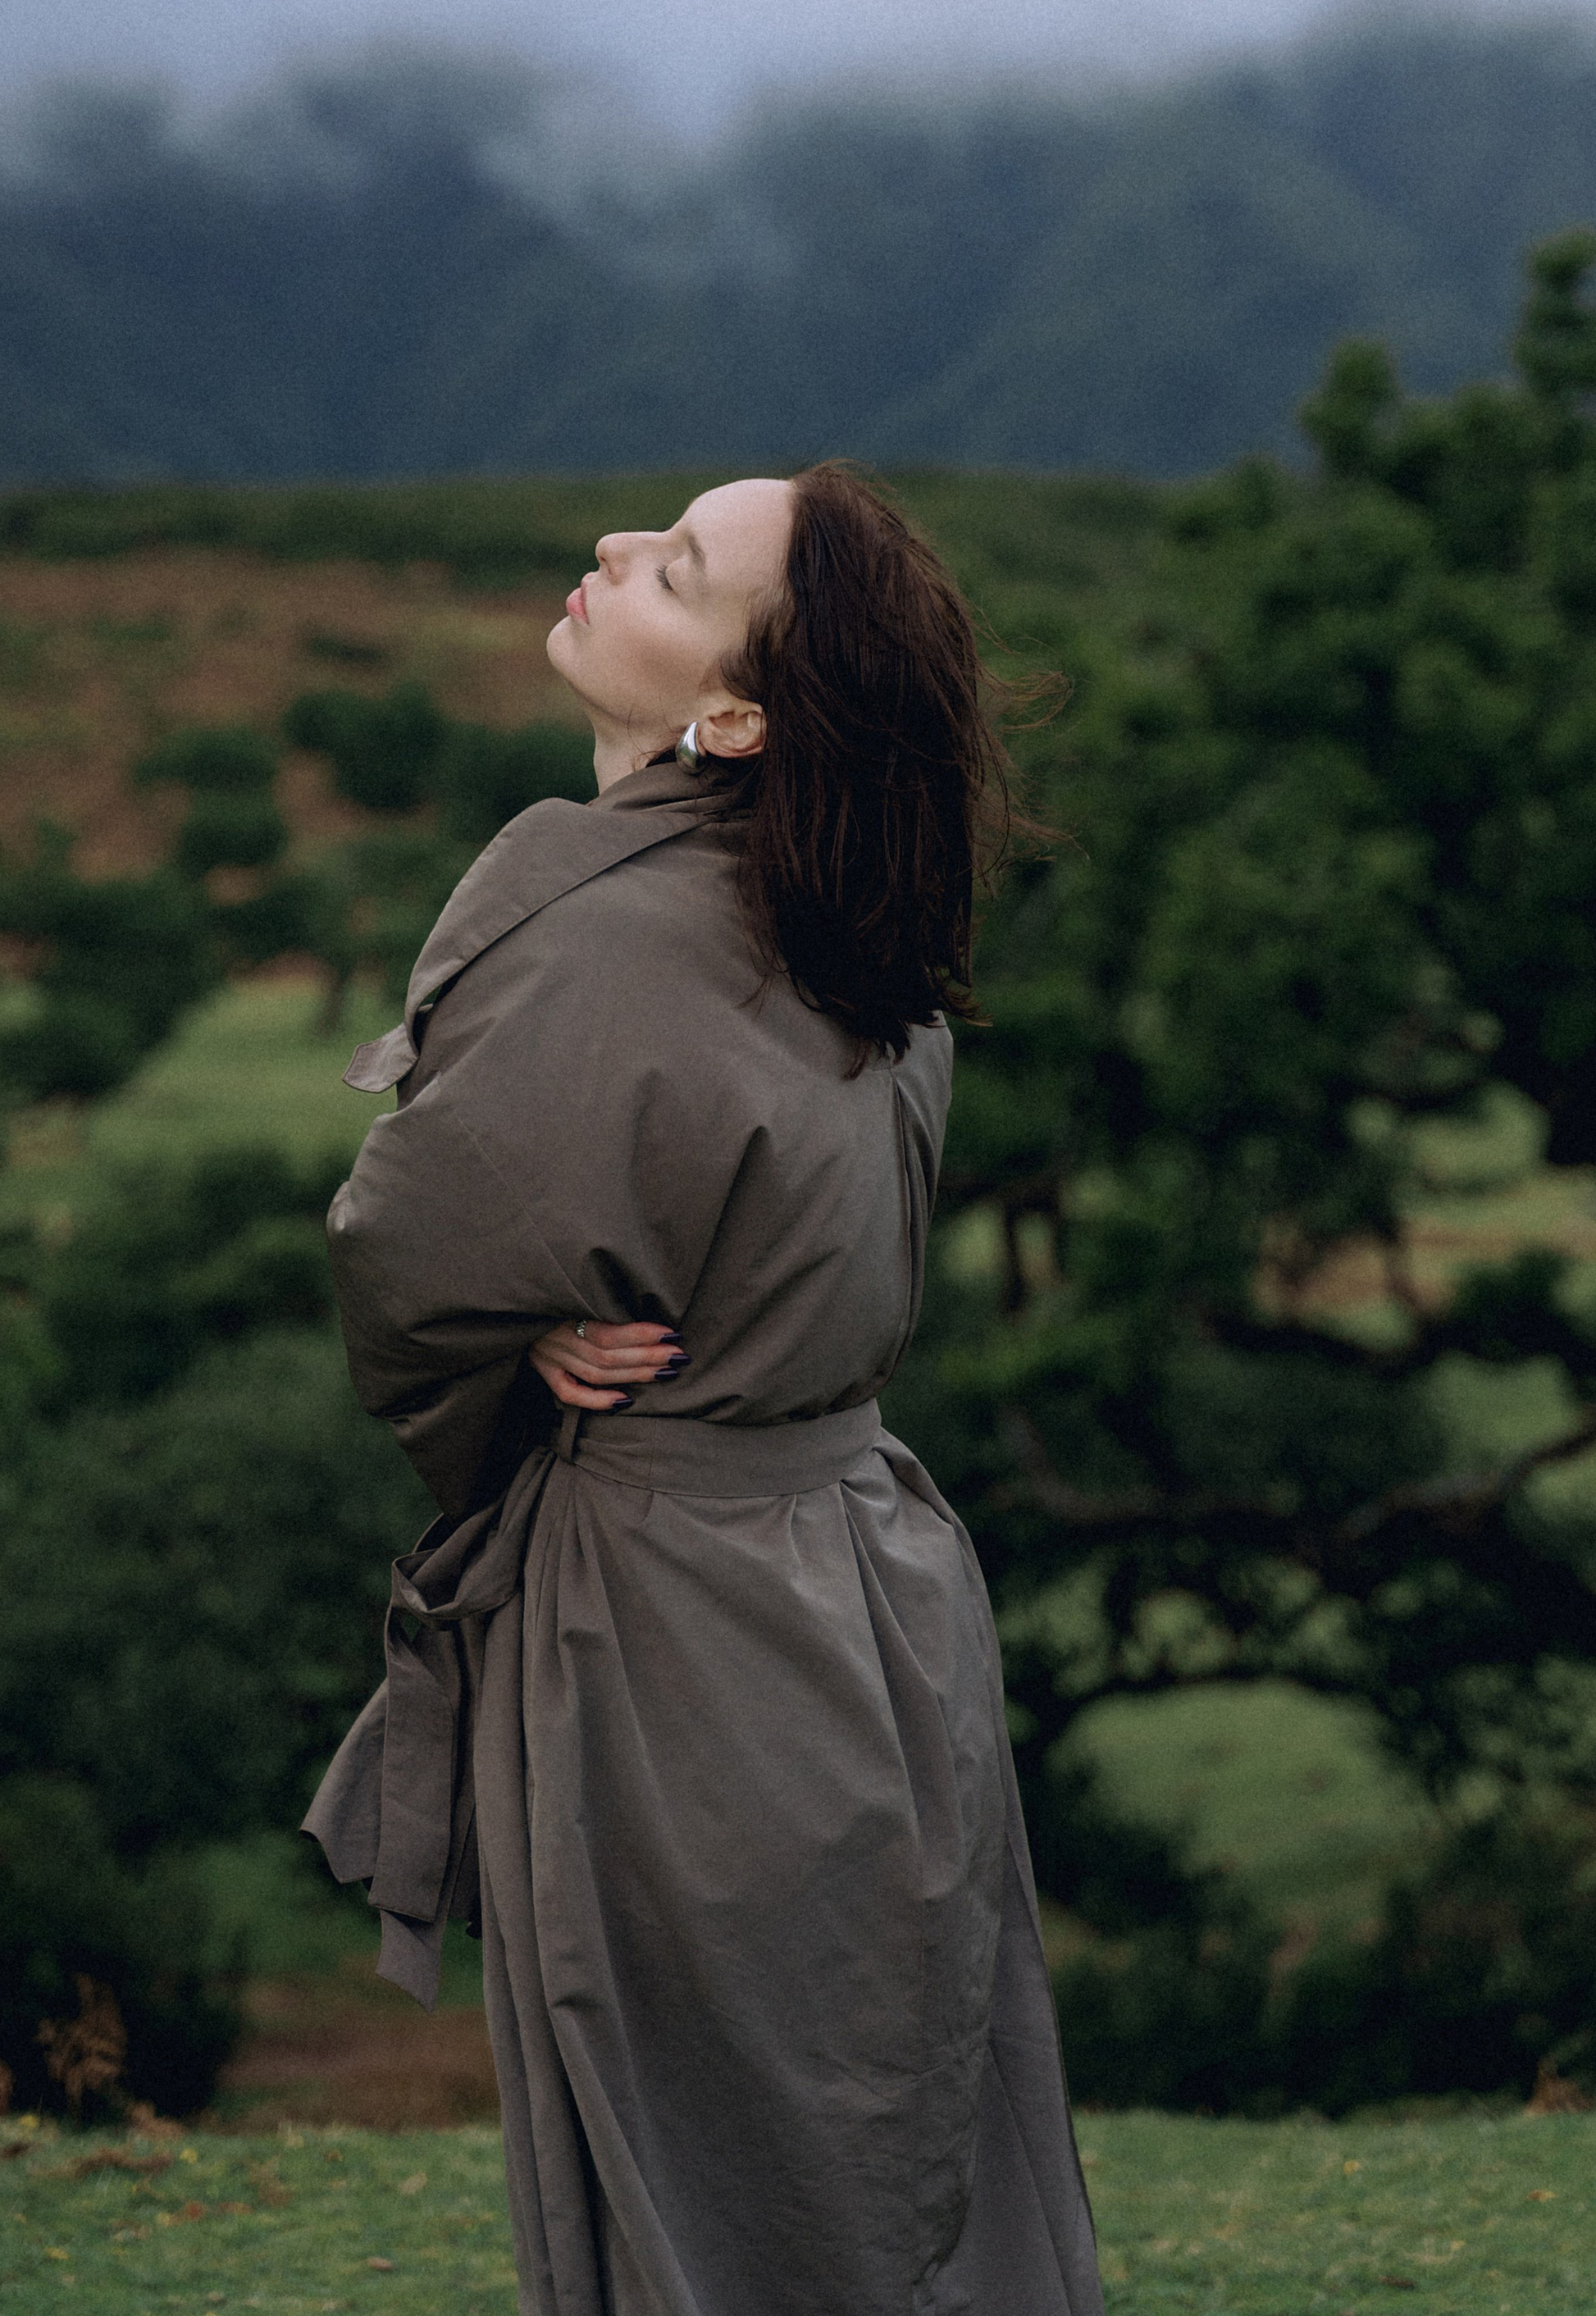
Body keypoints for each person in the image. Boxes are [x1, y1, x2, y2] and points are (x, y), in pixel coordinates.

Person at [304, 465, 1103, 2316]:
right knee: (889, 2113)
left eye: (669, 566)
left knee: (696, 2138)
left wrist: (508, 1343)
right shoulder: (860, 916)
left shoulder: (608, 934)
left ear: (732, 715)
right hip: (871, 1591)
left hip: (674, 1615)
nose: (603, 554)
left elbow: (408, 1244)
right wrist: (539, 1326)